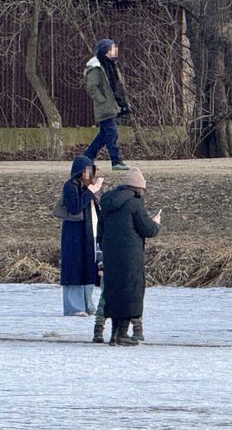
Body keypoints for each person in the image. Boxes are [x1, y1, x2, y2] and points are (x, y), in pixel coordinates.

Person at [98, 167, 160, 346]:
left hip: (111, 254)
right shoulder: (134, 204)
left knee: (115, 291)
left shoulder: (107, 202)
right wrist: (156, 223)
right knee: (130, 292)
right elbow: (147, 229)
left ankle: (115, 335)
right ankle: (123, 334)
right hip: (130, 255)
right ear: (138, 188)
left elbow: (100, 230)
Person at [60, 155, 103, 316]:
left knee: (88, 268)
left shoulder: (86, 188)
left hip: (89, 234)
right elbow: (75, 207)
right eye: (88, 172)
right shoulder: (70, 187)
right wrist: (91, 191)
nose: (91, 176)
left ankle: (87, 304)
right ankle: (74, 307)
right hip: (74, 235)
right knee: (74, 268)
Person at [83, 38, 130, 171]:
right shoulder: (96, 67)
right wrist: (102, 100)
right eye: (112, 48)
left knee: (104, 134)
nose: (115, 51)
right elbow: (92, 87)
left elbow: (114, 87)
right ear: (106, 51)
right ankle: (116, 160)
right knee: (111, 133)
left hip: (112, 105)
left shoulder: (109, 65)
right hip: (105, 106)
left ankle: (87, 157)